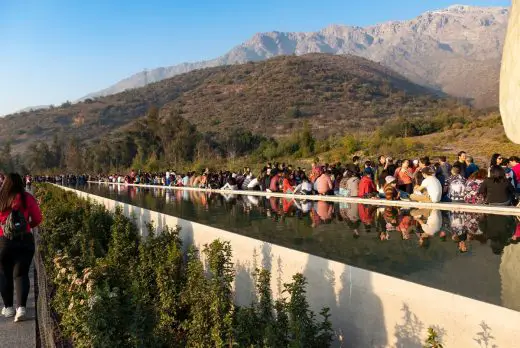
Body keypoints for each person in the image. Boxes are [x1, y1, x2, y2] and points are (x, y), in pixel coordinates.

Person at [0, 173, 42, 322]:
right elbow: (37, 218)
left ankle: (9, 308)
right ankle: (21, 308)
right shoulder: (27, 198)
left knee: (4, 273)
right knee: (21, 274)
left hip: (3, 241)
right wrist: (27, 227)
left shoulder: (1, 199)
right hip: (25, 241)